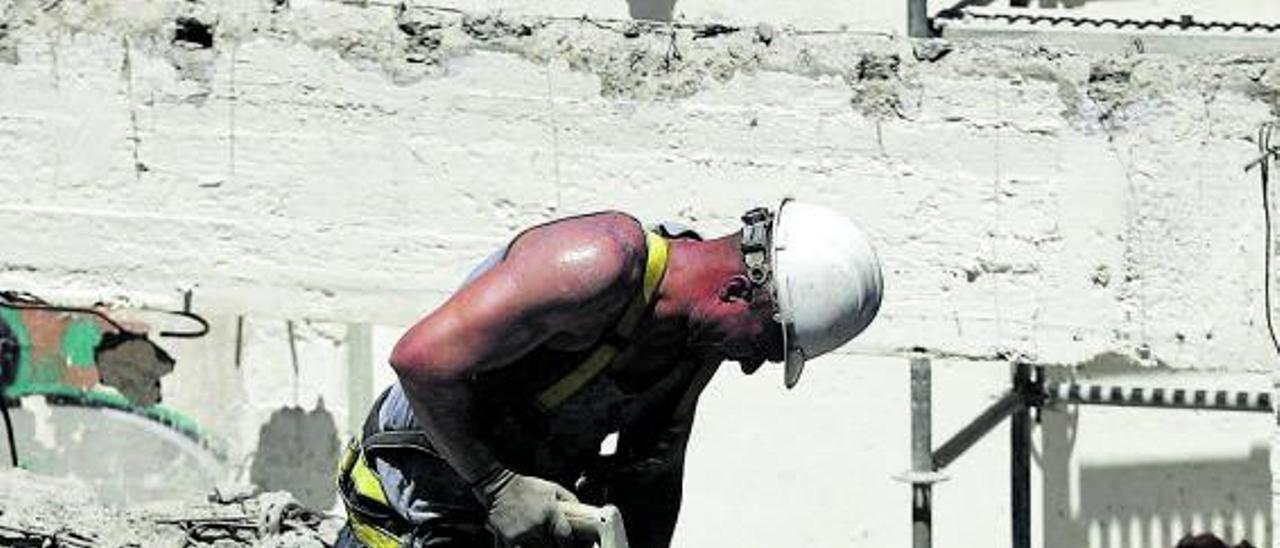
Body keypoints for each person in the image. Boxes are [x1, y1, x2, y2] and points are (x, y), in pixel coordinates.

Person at [336, 200, 884, 548]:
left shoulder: (693, 348)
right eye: (765, 345)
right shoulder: (601, 263)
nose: (747, 365)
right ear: (737, 293)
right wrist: (497, 486)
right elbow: (420, 360)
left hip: (501, 530)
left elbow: (651, 474)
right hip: (409, 510)